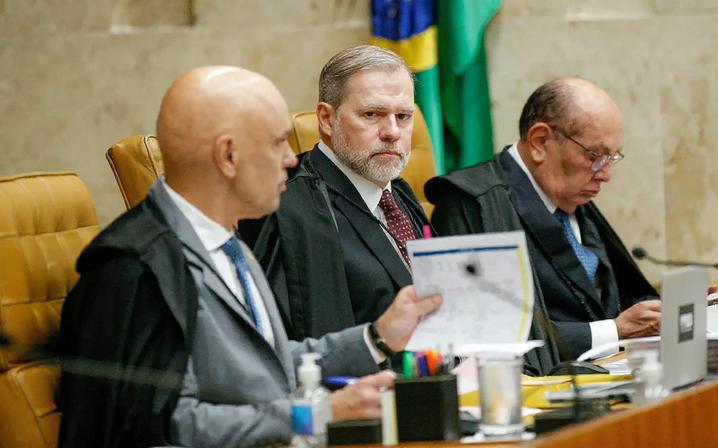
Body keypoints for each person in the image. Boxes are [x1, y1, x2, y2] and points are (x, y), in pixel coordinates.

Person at [57, 66, 442, 448]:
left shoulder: (228, 243)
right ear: (228, 156)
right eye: (277, 143)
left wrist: (376, 337)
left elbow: (268, 366)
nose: (292, 159)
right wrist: (315, 415)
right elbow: (155, 428)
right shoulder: (134, 267)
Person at [426, 78, 660, 360]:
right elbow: (485, 339)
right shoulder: (471, 205)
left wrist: (667, 312)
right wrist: (613, 332)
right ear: (540, 141)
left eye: (612, 157)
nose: (606, 174)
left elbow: (619, 296)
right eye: (595, 156)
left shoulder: (571, 194)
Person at [239, 45, 431, 341]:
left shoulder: (401, 194)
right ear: (327, 119)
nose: (392, 132)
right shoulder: (287, 206)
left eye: (403, 117)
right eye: (372, 114)